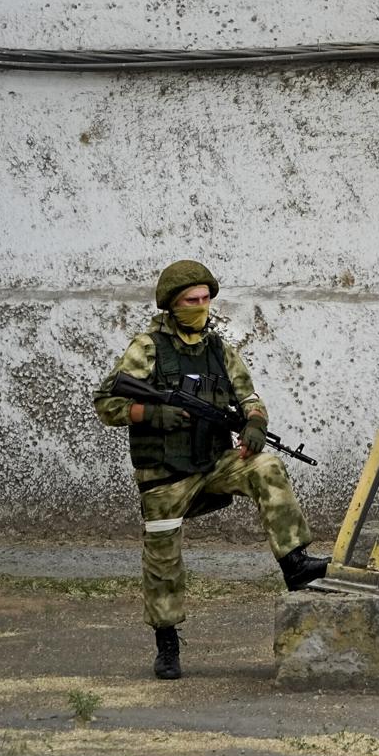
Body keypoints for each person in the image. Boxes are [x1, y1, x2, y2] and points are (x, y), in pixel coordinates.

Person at [93, 259, 329, 680]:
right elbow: (106, 403)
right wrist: (152, 414)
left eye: (205, 298)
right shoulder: (146, 347)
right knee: (163, 559)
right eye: (191, 300)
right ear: (172, 303)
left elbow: (249, 395)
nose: (200, 306)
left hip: (215, 463)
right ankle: (167, 643)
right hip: (164, 474)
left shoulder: (220, 350)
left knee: (267, 464)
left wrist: (255, 423)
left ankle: (295, 563)